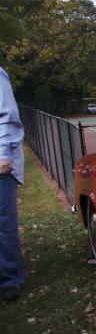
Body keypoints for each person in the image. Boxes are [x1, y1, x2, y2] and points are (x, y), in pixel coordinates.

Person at [0, 66, 25, 302]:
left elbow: (7, 116)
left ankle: (10, 280)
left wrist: (3, 154)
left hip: (1, 164)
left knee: (4, 224)